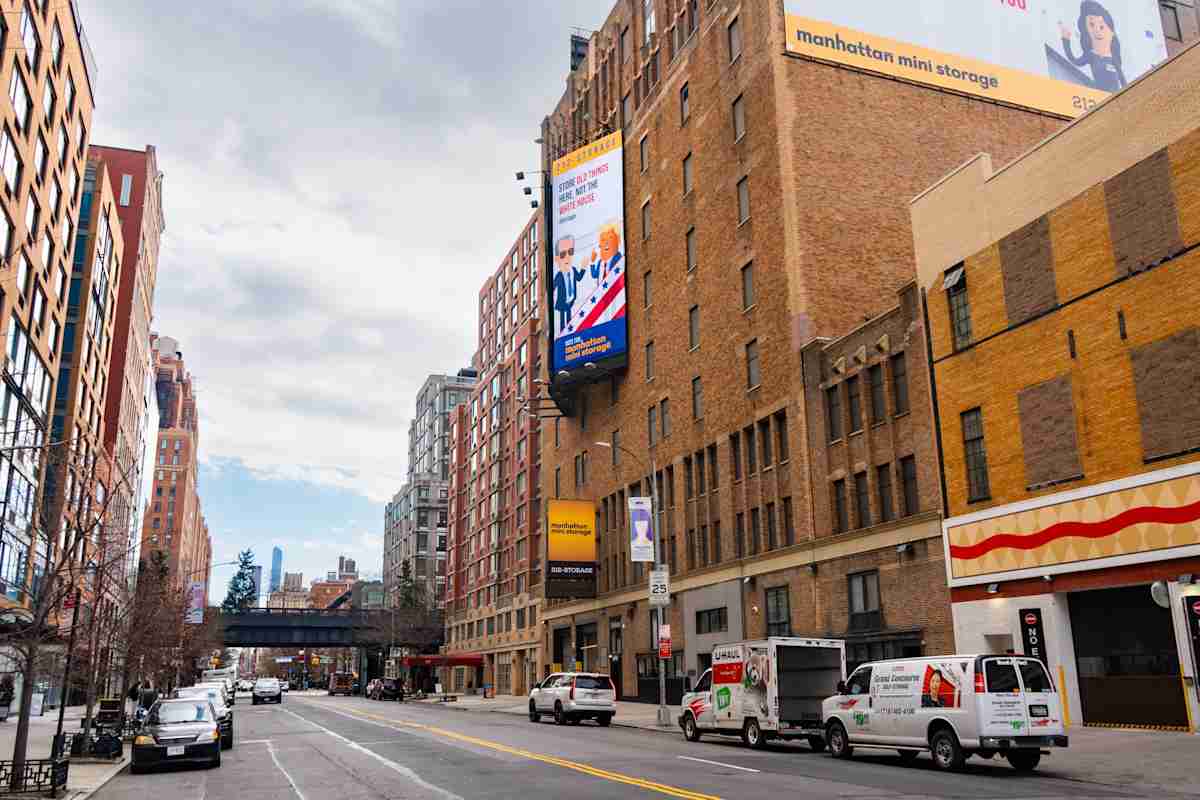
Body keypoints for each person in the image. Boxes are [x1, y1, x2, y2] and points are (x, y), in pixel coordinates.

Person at [1059, 1, 1126, 92]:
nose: (1097, 31)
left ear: (1111, 33)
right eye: (1091, 25)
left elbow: (1124, 83)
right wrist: (1066, 40)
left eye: (1101, 26)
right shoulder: (1091, 55)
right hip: (1100, 98)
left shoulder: (1114, 58)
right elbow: (1075, 61)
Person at [552, 235, 585, 331]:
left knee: (569, 316)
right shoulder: (558, 275)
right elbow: (552, 288)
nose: (567, 257)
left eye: (570, 252)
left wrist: (583, 268)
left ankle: (569, 329)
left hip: (571, 300)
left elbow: (579, 278)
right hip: (562, 301)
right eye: (563, 254)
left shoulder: (573, 270)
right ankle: (563, 331)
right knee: (563, 318)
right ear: (557, 259)